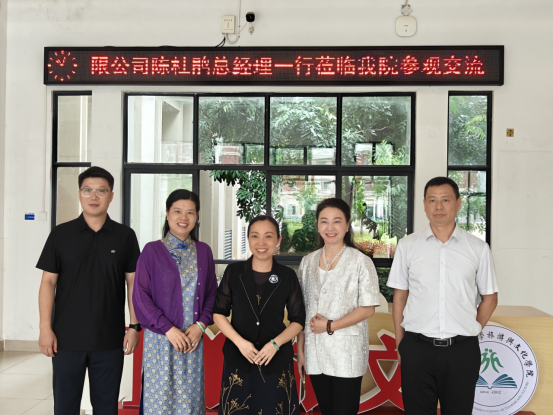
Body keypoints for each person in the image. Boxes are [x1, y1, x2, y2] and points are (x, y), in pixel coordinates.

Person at [387, 176, 499, 415]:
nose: (438, 206)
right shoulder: (408, 245)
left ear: (458, 204)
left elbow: (490, 298)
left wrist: (471, 329)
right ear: (424, 205)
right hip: (417, 347)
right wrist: (401, 344)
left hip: (462, 351)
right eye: (432, 200)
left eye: (445, 200)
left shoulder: (478, 248)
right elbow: (400, 297)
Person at [37, 166, 141, 415]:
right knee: (65, 407)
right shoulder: (61, 234)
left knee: (106, 408)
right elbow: (48, 282)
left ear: (111, 196)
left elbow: (134, 284)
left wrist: (134, 327)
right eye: (87, 190)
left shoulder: (125, 236)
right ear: (80, 194)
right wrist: (45, 328)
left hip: (109, 339)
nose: (94, 197)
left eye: (101, 191)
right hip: (65, 339)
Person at [132, 189, 218, 415]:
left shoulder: (204, 251)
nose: (184, 217)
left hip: (192, 341)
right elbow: (140, 295)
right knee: (159, 405)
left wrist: (201, 326)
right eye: (178, 211)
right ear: (167, 213)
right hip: (160, 341)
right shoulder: (151, 250)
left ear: (197, 216)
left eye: (190, 212)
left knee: (190, 405)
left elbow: (212, 294)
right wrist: (168, 329)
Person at [213, 215, 305, 415]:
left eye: (268, 236)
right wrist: (240, 343)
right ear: (248, 239)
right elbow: (219, 313)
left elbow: (298, 320)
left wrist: (275, 344)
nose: (261, 243)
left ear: (278, 240)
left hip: (276, 361)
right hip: (239, 359)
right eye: (255, 236)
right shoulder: (234, 272)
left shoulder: (287, 276)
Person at [296, 198, 381, 415]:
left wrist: (330, 325)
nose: (330, 227)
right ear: (317, 225)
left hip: (347, 352)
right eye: (324, 221)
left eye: (337, 221)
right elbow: (301, 310)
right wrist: (300, 350)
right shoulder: (307, 262)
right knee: (326, 410)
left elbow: (368, 308)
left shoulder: (361, 262)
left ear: (347, 224)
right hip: (315, 351)